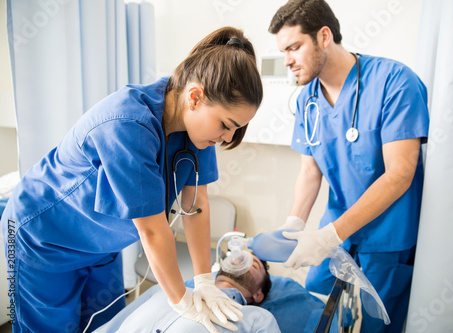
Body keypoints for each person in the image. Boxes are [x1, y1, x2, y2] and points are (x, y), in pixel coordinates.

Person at [1, 26, 263, 333]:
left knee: (105, 327)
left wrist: (204, 280)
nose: (227, 137)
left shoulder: (199, 131)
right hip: (42, 239)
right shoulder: (127, 123)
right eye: (226, 125)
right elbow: (153, 231)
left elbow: (197, 204)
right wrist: (182, 300)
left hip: (100, 247)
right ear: (195, 97)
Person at [268, 1, 429, 332]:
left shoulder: (395, 82)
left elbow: (400, 175)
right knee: (314, 306)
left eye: (294, 47)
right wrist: (294, 226)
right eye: (283, 51)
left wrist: (330, 235)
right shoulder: (307, 100)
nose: (287, 61)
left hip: (386, 237)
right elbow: (310, 172)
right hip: (338, 231)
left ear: (324, 36)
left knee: (376, 324)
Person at [95, 254, 277, 332]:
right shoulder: (163, 289)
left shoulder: (258, 317)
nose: (240, 259)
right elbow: (110, 327)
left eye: (253, 265)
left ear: (258, 295)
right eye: (238, 257)